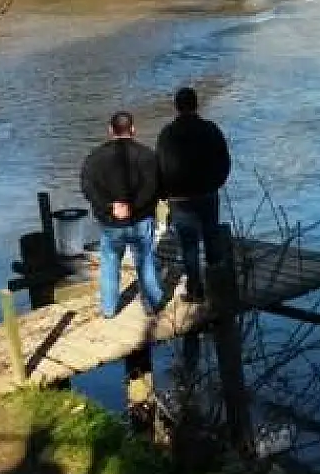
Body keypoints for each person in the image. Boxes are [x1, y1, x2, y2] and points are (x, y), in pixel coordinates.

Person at [81, 111, 165, 318]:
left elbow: (88, 187)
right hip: (140, 219)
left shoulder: (94, 157)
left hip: (110, 223)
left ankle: (109, 308)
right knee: (144, 258)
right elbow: (152, 187)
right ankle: (153, 303)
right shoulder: (146, 155)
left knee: (110, 261)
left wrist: (110, 207)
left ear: (110, 131)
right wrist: (133, 206)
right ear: (133, 130)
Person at [155, 88, 232, 304]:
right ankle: (218, 288)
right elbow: (224, 160)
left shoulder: (167, 134)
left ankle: (196, 290)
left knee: (188, 245)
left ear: (176, 107)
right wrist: (217, 182)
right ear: (197, 105)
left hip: (179, 199)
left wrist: (163, 193)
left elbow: (159, 167)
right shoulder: (210, 130)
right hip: (207, 193)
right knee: (211, 237)